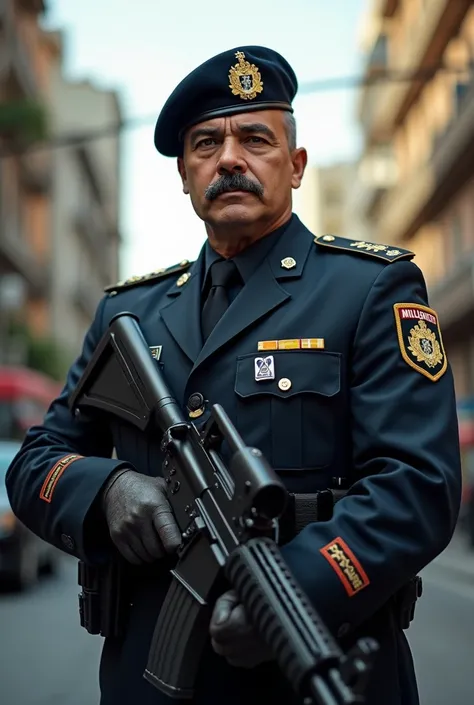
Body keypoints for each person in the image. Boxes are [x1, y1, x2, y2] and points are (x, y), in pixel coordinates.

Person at [5, 45, 461, 705]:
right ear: (185, 175)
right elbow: (35, 463)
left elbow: (419, 486)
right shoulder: (129, 312)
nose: (229, 159)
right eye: (206, 144)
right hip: (151, 681)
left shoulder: (370, 289)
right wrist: (106, 489)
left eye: (256, 138)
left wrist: (294, 592)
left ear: (297, 165)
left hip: (313, 659)